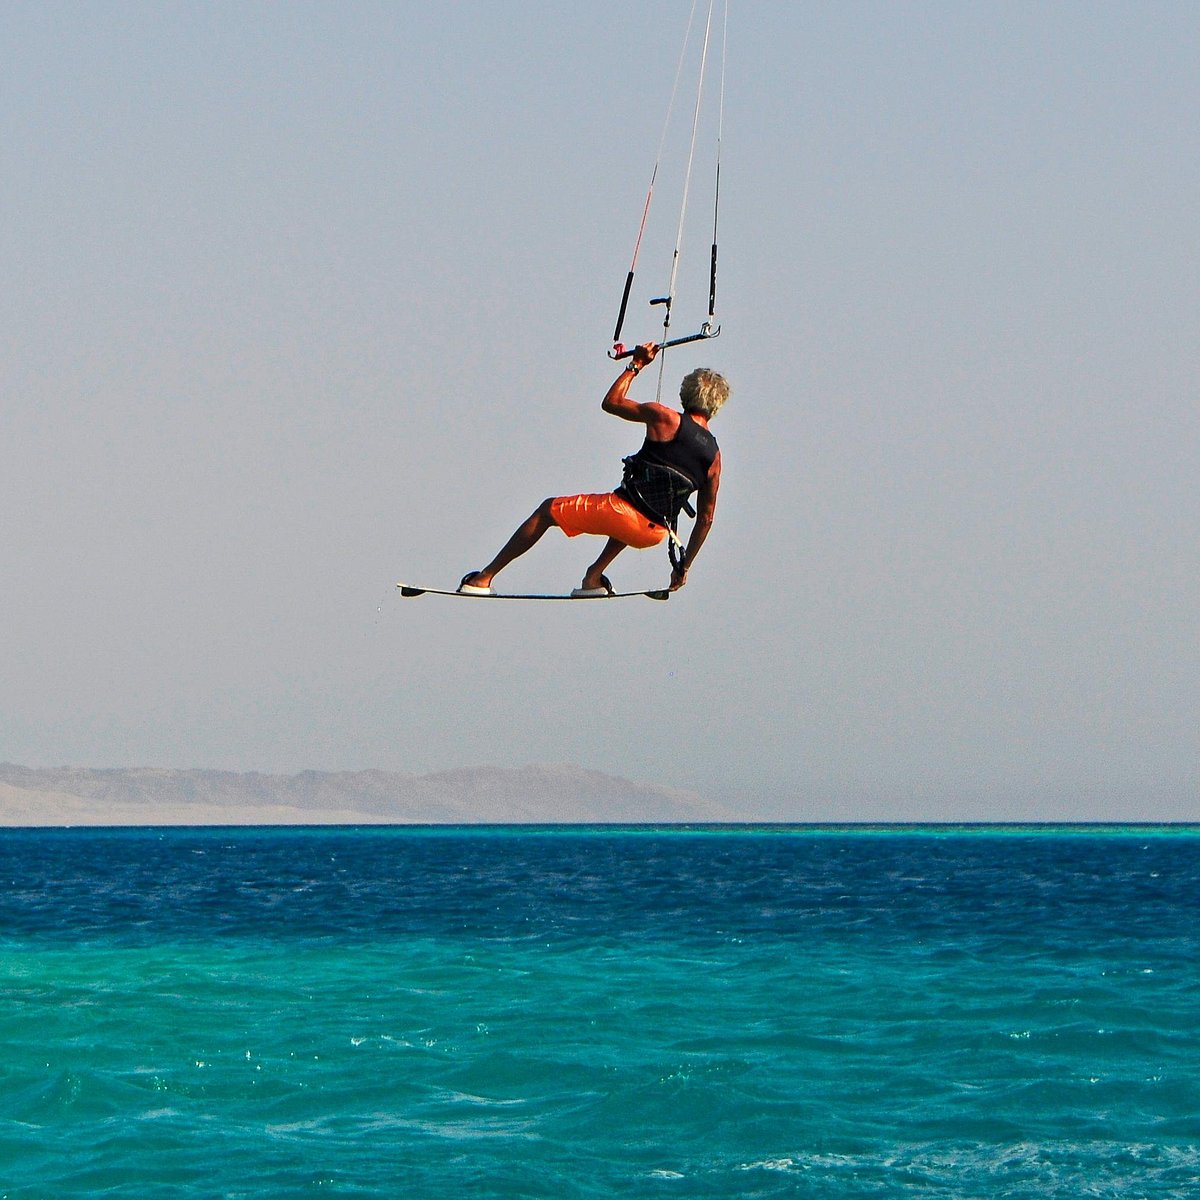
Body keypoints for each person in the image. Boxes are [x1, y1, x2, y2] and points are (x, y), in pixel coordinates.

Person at [459, 342, 728, 595]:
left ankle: (484, 578)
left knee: (546, 511)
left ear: (685, 393)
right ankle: (593, 578)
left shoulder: (665, 417)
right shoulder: (715, 457)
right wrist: (683, 566)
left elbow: (611, 402)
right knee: (637, 510)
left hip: (621, 512)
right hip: (654, 533)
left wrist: (636, 364)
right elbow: (706, 519)